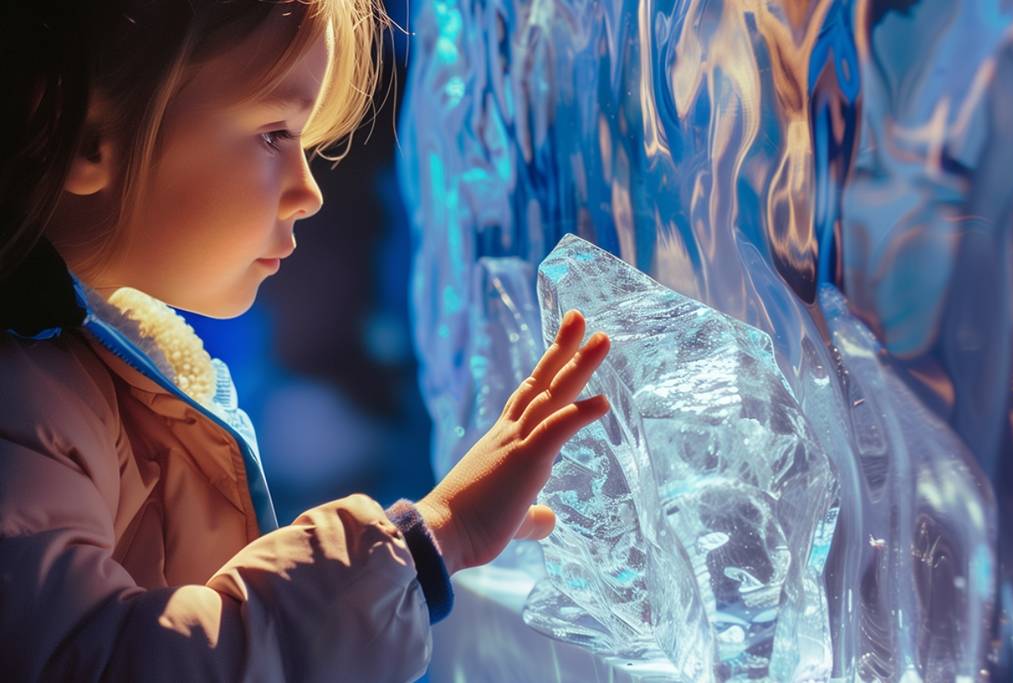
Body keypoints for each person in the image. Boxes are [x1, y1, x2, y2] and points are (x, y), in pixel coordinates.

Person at [0, 1, 610, 680]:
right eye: (273, 134)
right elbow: (100, 662)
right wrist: (431, 539)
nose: (310, 191)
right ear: (85, 132)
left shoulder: (70, 381)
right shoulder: (23, 404)